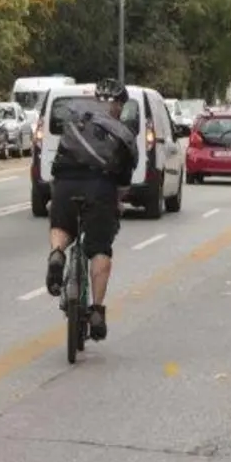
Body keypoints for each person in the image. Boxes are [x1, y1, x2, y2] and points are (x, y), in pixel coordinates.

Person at [45, 81, 139, 341]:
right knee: (99, 249)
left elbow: (56, 169)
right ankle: (96, 310)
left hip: (66, 185)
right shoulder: (122, 134)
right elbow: (123, 185)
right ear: (119, 105)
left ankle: (57, 253)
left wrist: (59, 195)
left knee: (62, 225)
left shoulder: (76, 122)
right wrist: (117, 203)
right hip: (100, 190)